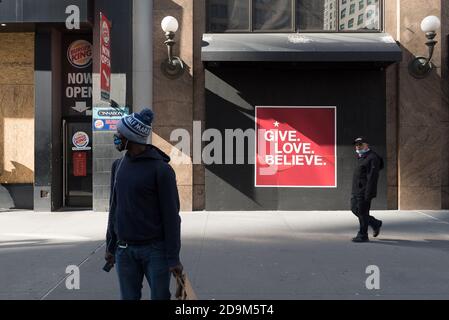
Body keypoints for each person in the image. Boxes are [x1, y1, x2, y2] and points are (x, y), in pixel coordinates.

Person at [105, 108, 183, 300]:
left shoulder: (161, 170)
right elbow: (115, 208)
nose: (116, 136)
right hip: (124, 251)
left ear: (131, 138)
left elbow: (172, 217)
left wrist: (173, 257)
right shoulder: (118, 166)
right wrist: (110, 245)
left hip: (155, 251)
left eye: (119, 134)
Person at [351, 137, 384, 243]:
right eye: (356, 144)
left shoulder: (372, 158)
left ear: (366, 145)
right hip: (356, 190)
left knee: (362, 212)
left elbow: (373, 178)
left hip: (364, 191)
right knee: (354, 209)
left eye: (360, 144)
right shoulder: (362, 156)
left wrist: (368, 193)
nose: (358, 146)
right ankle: (375, 223)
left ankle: (363, 234)